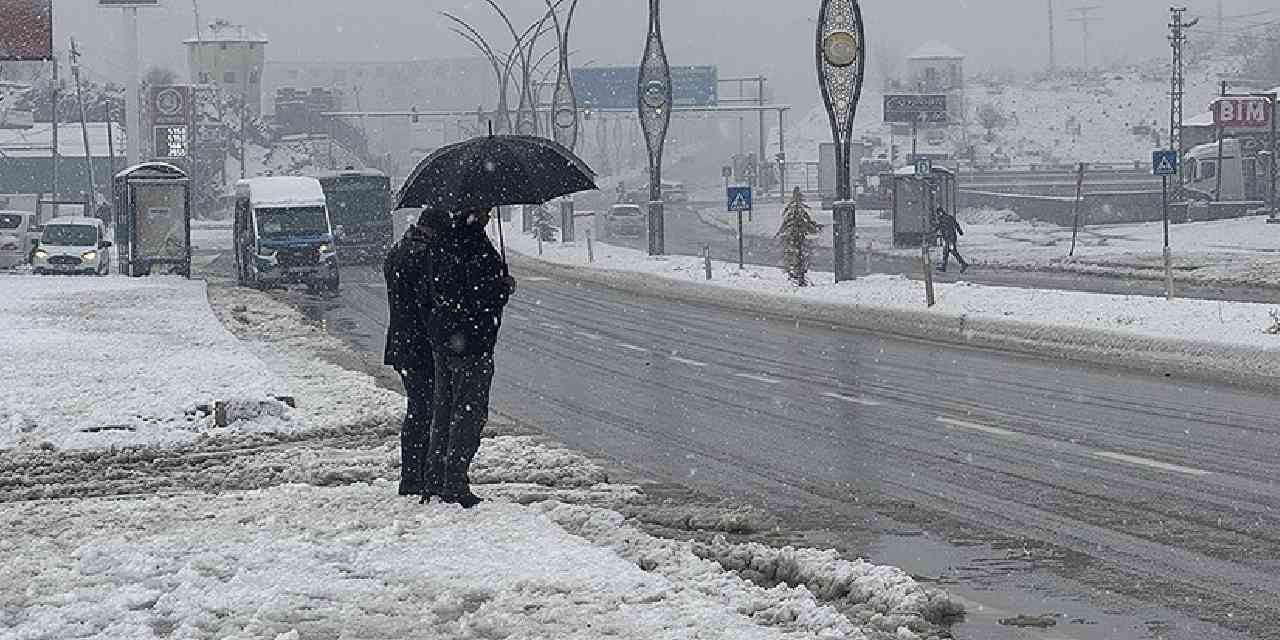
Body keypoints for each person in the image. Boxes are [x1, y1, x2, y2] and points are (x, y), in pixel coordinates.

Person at [422, 208, 516, 508]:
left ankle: (434, 478)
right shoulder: (473, 245)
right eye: (484, 208)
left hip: (445, 339)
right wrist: (502, 287)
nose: (488, 213)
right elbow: (478, 296)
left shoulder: (442, 241)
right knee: (468, 414)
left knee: (444, 410)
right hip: (471, 342)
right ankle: (454, 482)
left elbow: (439, 289)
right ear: (472, 209)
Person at [383, 209, 446, 496]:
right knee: (424, 410)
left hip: (404, 343)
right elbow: (429, 302)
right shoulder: (420, 256)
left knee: (420, 408)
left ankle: (415, 474)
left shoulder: (400, 250)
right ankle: (415, 477)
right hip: (419, 346)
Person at [935, 206, 968, 274]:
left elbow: (940, 227)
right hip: (950, 237)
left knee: (952, 252)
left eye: (938, 213)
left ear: (940, 212)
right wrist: (960, 231)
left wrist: (935, 233)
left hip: (949, 238)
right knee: (946, 252)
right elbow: (956, 224)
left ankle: (963, 264)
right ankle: (944, 267)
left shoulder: (942, 219)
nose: (938, 214)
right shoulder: (949, 217)